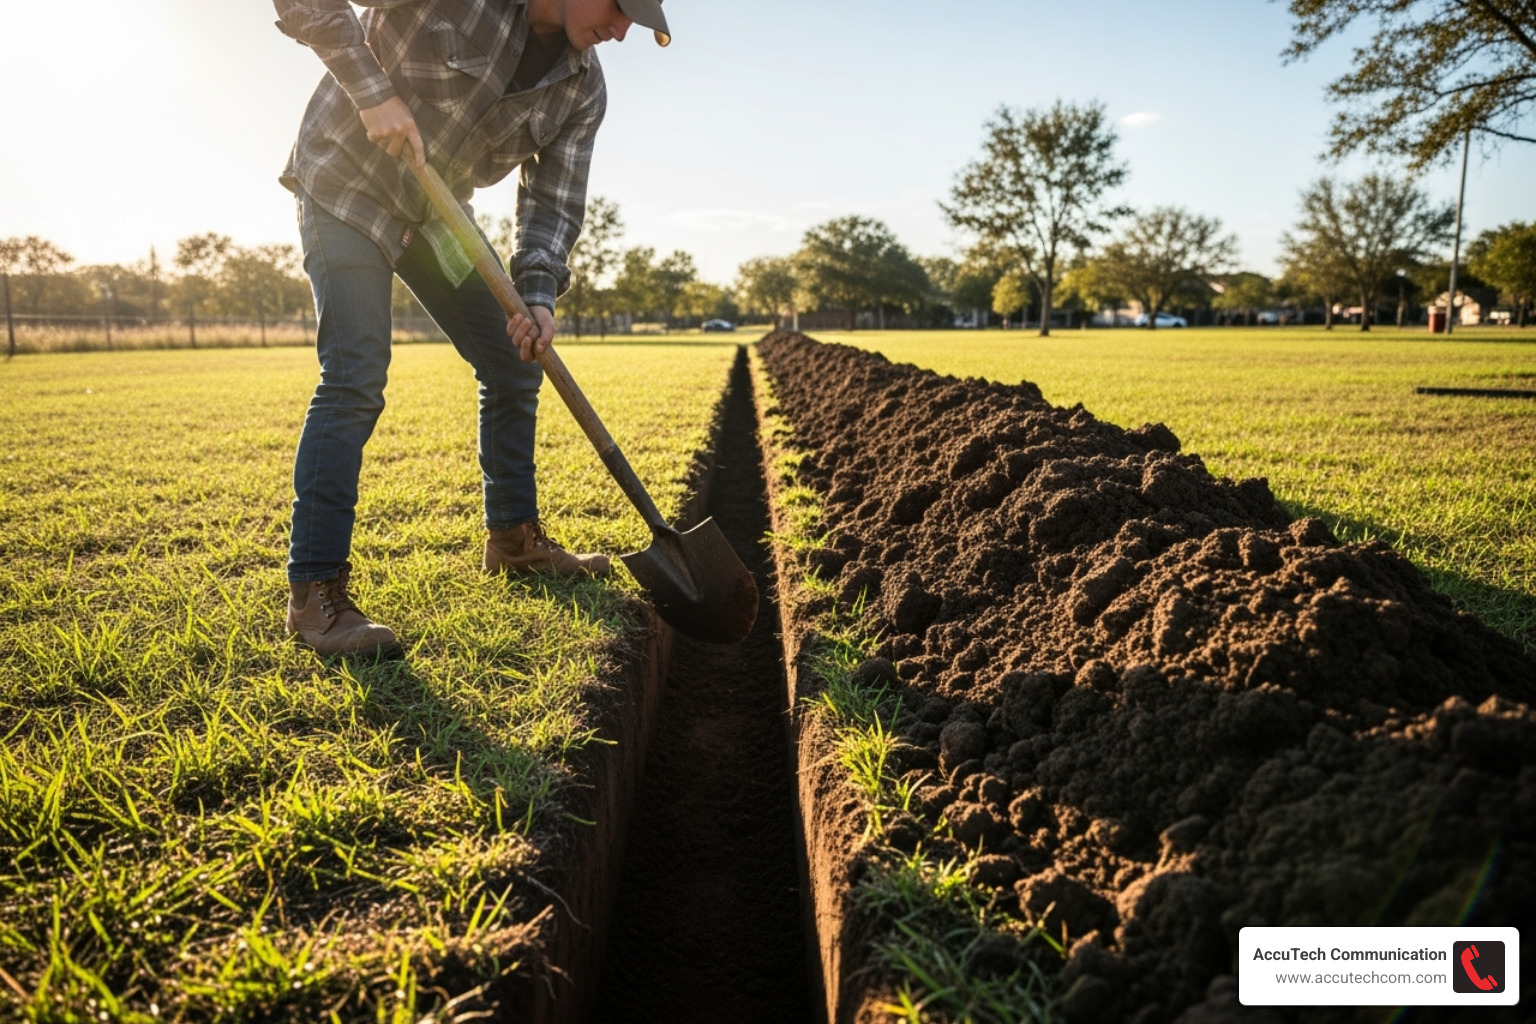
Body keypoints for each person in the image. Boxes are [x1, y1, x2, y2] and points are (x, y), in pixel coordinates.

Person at [271, 0, 671, 657]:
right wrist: (371, 93)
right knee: (356, 374)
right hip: (346, 186)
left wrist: (537, 299)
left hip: (437, 217)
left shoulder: (582, 88)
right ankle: (315, 596)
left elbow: (552, 200)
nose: (621, 30)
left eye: (637, 23)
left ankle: (514, 542)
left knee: (515, 353)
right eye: (619, 7)